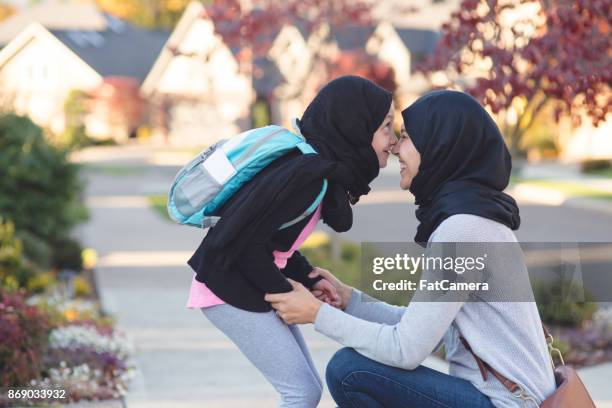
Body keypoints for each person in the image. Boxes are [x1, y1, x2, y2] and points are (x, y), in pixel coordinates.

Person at [266, 90, 557, 407]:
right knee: (353, 367)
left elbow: (406, 350)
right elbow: (423, 330)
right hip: (506, 399)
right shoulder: (475, 219)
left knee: (349, 370)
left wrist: (316, 314)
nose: (394, 150)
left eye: (404, 137)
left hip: (508, 403)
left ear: (439, 147)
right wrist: (349, 300)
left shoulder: (463, 230)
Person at [186, 76, 397, 407]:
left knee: (306, 389)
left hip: (242, 283)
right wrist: (289, 295)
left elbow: (272, 239)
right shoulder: (307, 179)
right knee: (301, 392)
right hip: (227, 288)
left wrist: (308, 279)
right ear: (355, 127)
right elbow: (244, 246)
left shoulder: (316, 174)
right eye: (386, 126)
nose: (394, 139)